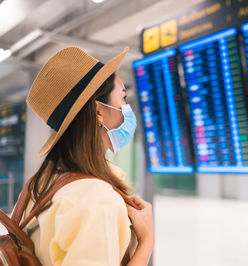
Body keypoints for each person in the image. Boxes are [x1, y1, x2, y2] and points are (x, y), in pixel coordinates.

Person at [20, 46, 154, 265]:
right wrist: (147, 239)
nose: (127, 108)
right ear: (98, 111)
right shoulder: (96, 199)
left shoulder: (40, 184)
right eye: (123, 98)